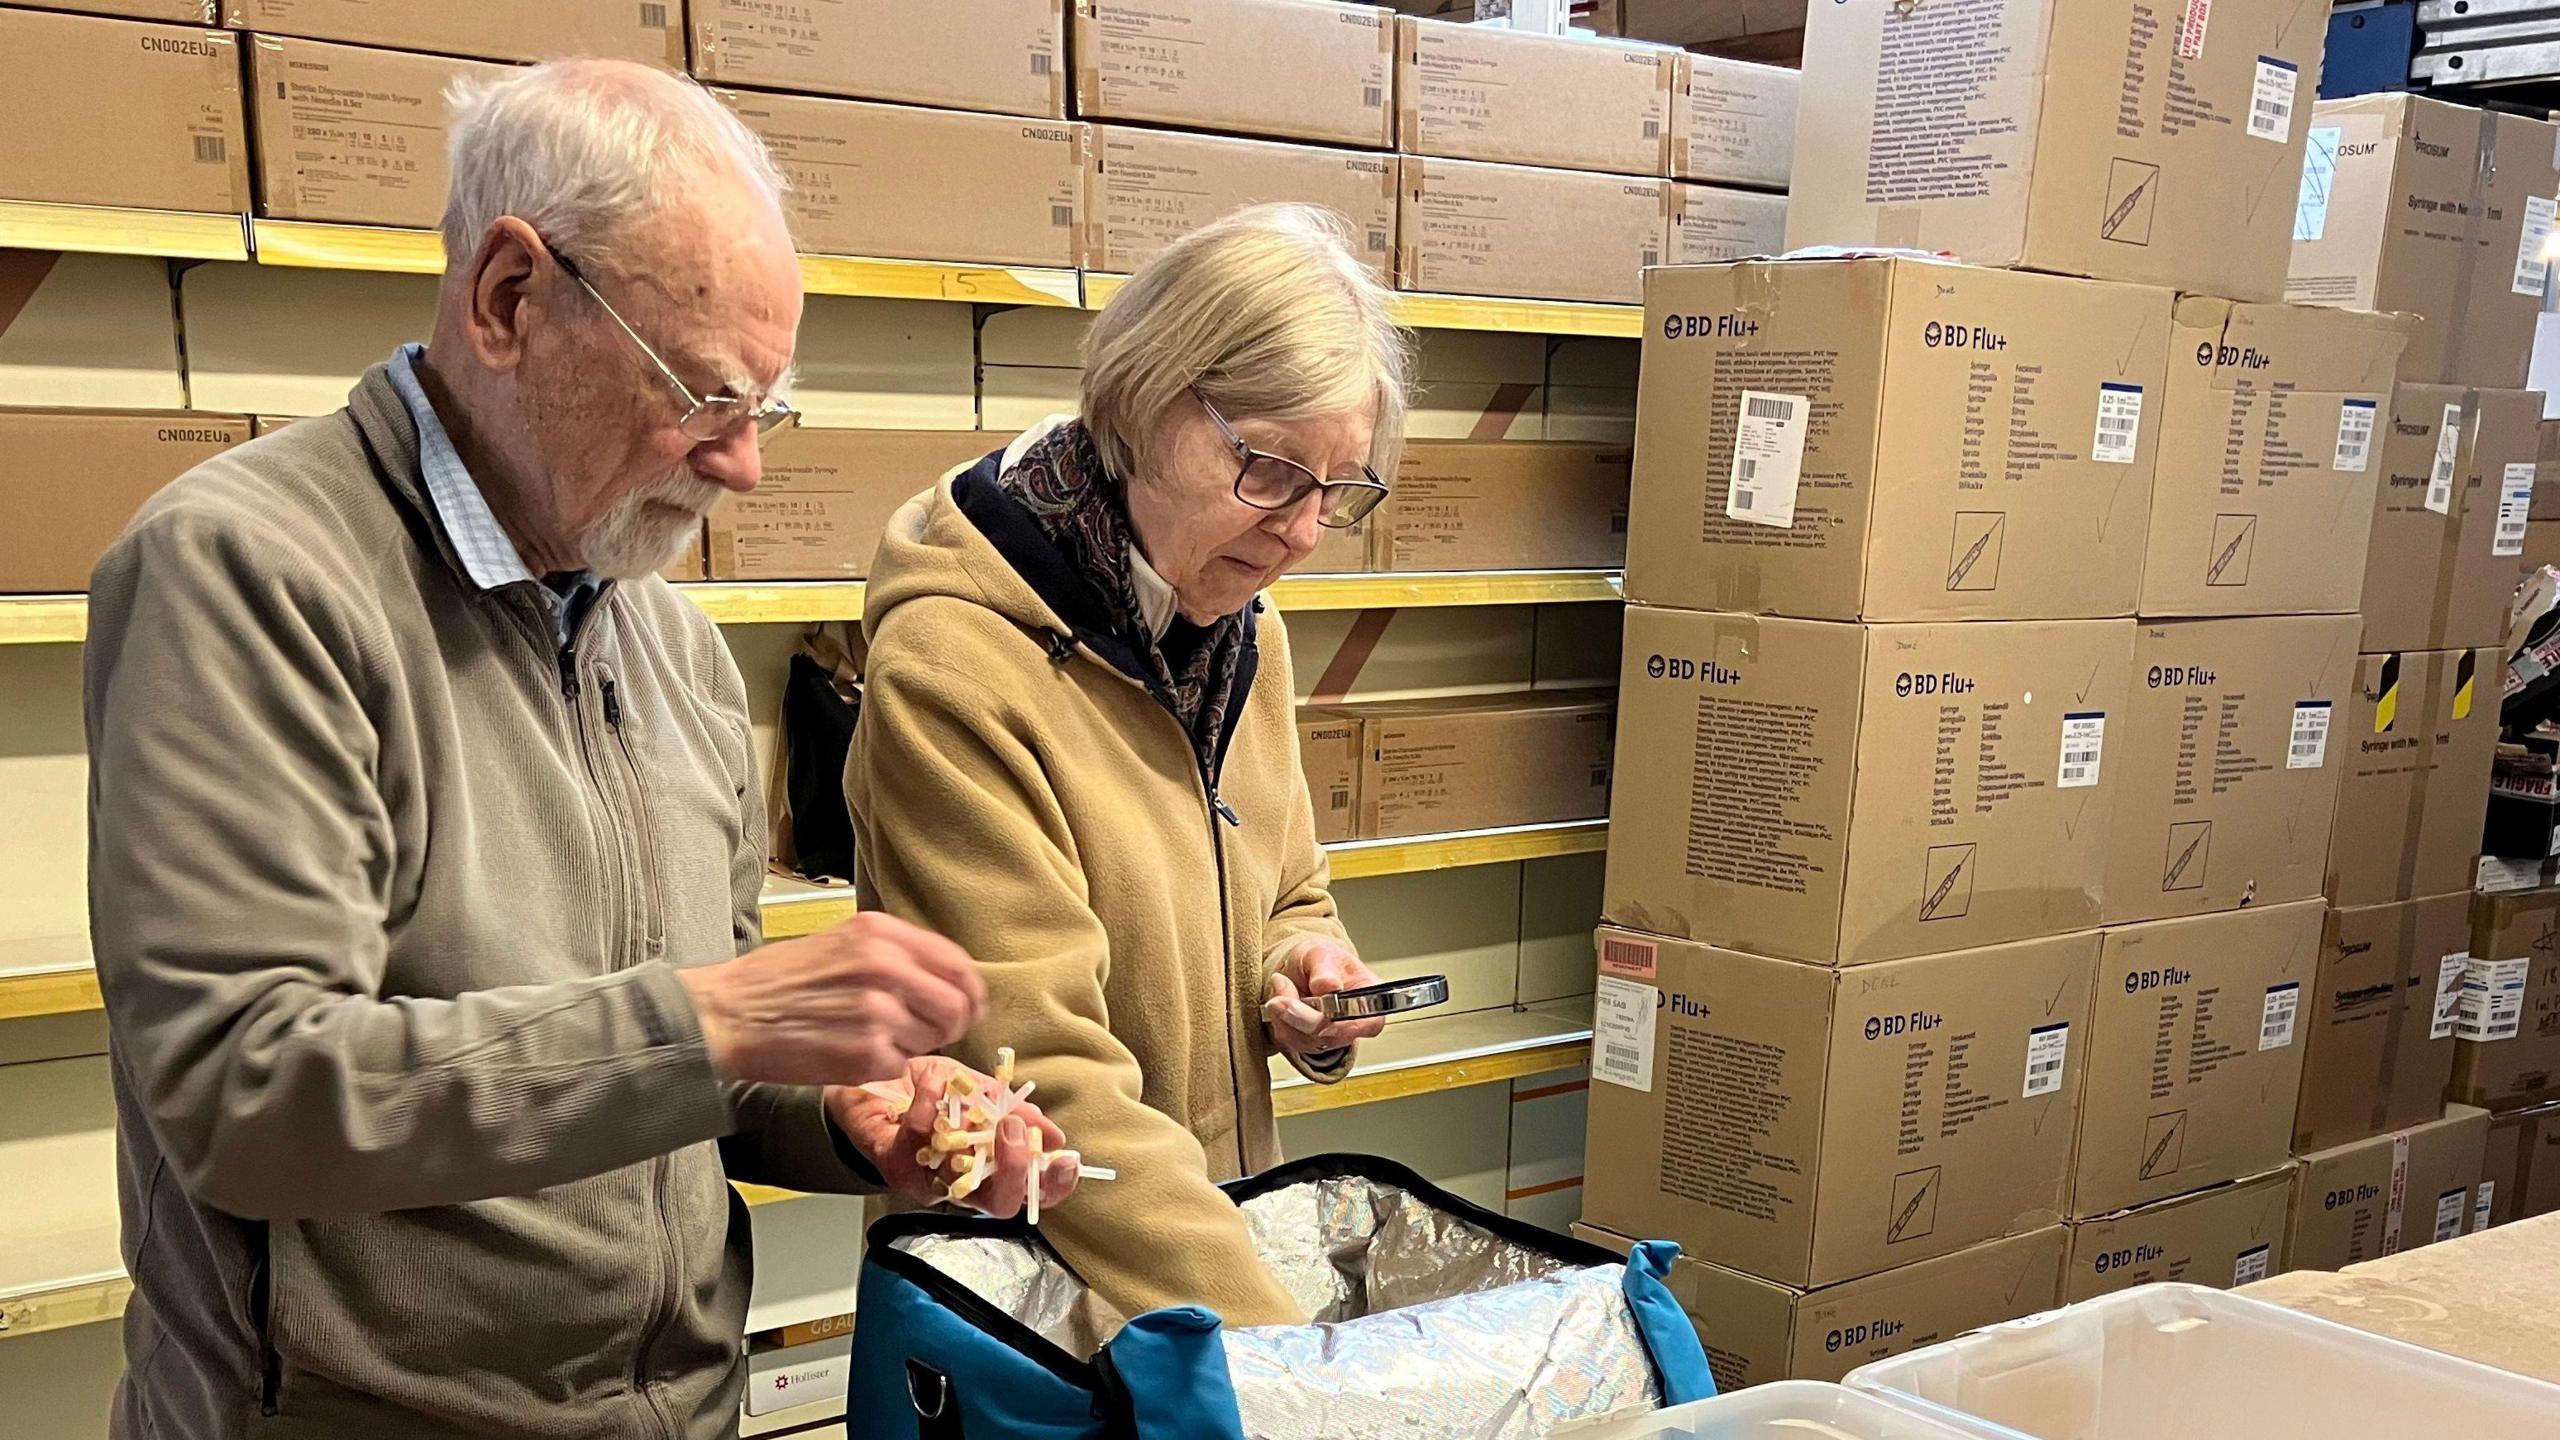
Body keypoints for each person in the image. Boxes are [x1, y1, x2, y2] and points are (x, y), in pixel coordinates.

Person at [82, 61, 1072, 1440]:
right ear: (508, 299)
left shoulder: (663, 644)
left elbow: (685, 1085)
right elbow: (249, 1096)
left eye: (764, 411)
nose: (743, 470)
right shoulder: (247, 576)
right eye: (707, 396)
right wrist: (720, 1016)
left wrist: (845, 1116)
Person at [848, 203, 1411, 1326]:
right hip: (1040, 1305)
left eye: (1337, 491)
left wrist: (1304, 970)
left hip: (1205, 1255)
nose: (1301, 531)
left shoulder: (1244, 627)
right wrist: (1279, 1364)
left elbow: (1284, 887)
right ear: (1147, 402)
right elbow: (1038, 1071)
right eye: (1270, 469)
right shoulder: (955, 665)